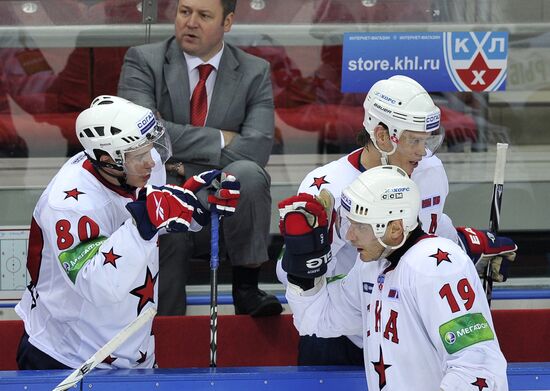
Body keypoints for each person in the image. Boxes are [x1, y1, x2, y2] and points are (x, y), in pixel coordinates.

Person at [276, 75, 517, 365]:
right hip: (337, 333)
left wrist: (463, 246)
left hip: (403, 329)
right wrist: (318, 249)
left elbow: (427, 228)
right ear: (380, 135)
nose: (422, 151)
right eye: (413, 140)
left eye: (427, 140)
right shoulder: (327, 187)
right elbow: (290, 270)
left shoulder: (429, 170)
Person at [14, 95, 239, 369]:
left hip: (133, 350)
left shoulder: (139, 168)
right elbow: (98, 285)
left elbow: (148, 227)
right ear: (108, 160)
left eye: (151, 148)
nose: (153, 162)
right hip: (67, 356)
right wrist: (144, 220)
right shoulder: (68, 204)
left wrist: (194, 209)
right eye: (139, 155)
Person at [117, 0, 281, 317]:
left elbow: (258, 149)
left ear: (228, 22)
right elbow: (143, 135)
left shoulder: (254, 71)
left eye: (204, 15)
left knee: (247, 172)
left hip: (219, 197)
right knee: (171, 231)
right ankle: (163, 331)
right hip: (162, 191)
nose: (190, 22)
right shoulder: (143, 61)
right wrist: (221, 137)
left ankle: (246, 289)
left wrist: (180, 157)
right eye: (184, 12)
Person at [280, 165, 509, 390]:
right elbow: (319, 320)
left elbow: (479, 368)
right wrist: (304, 267)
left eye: (360, 226)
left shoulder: (438, 267)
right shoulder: (371, 266)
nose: (349, 236)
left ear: (395, 228)